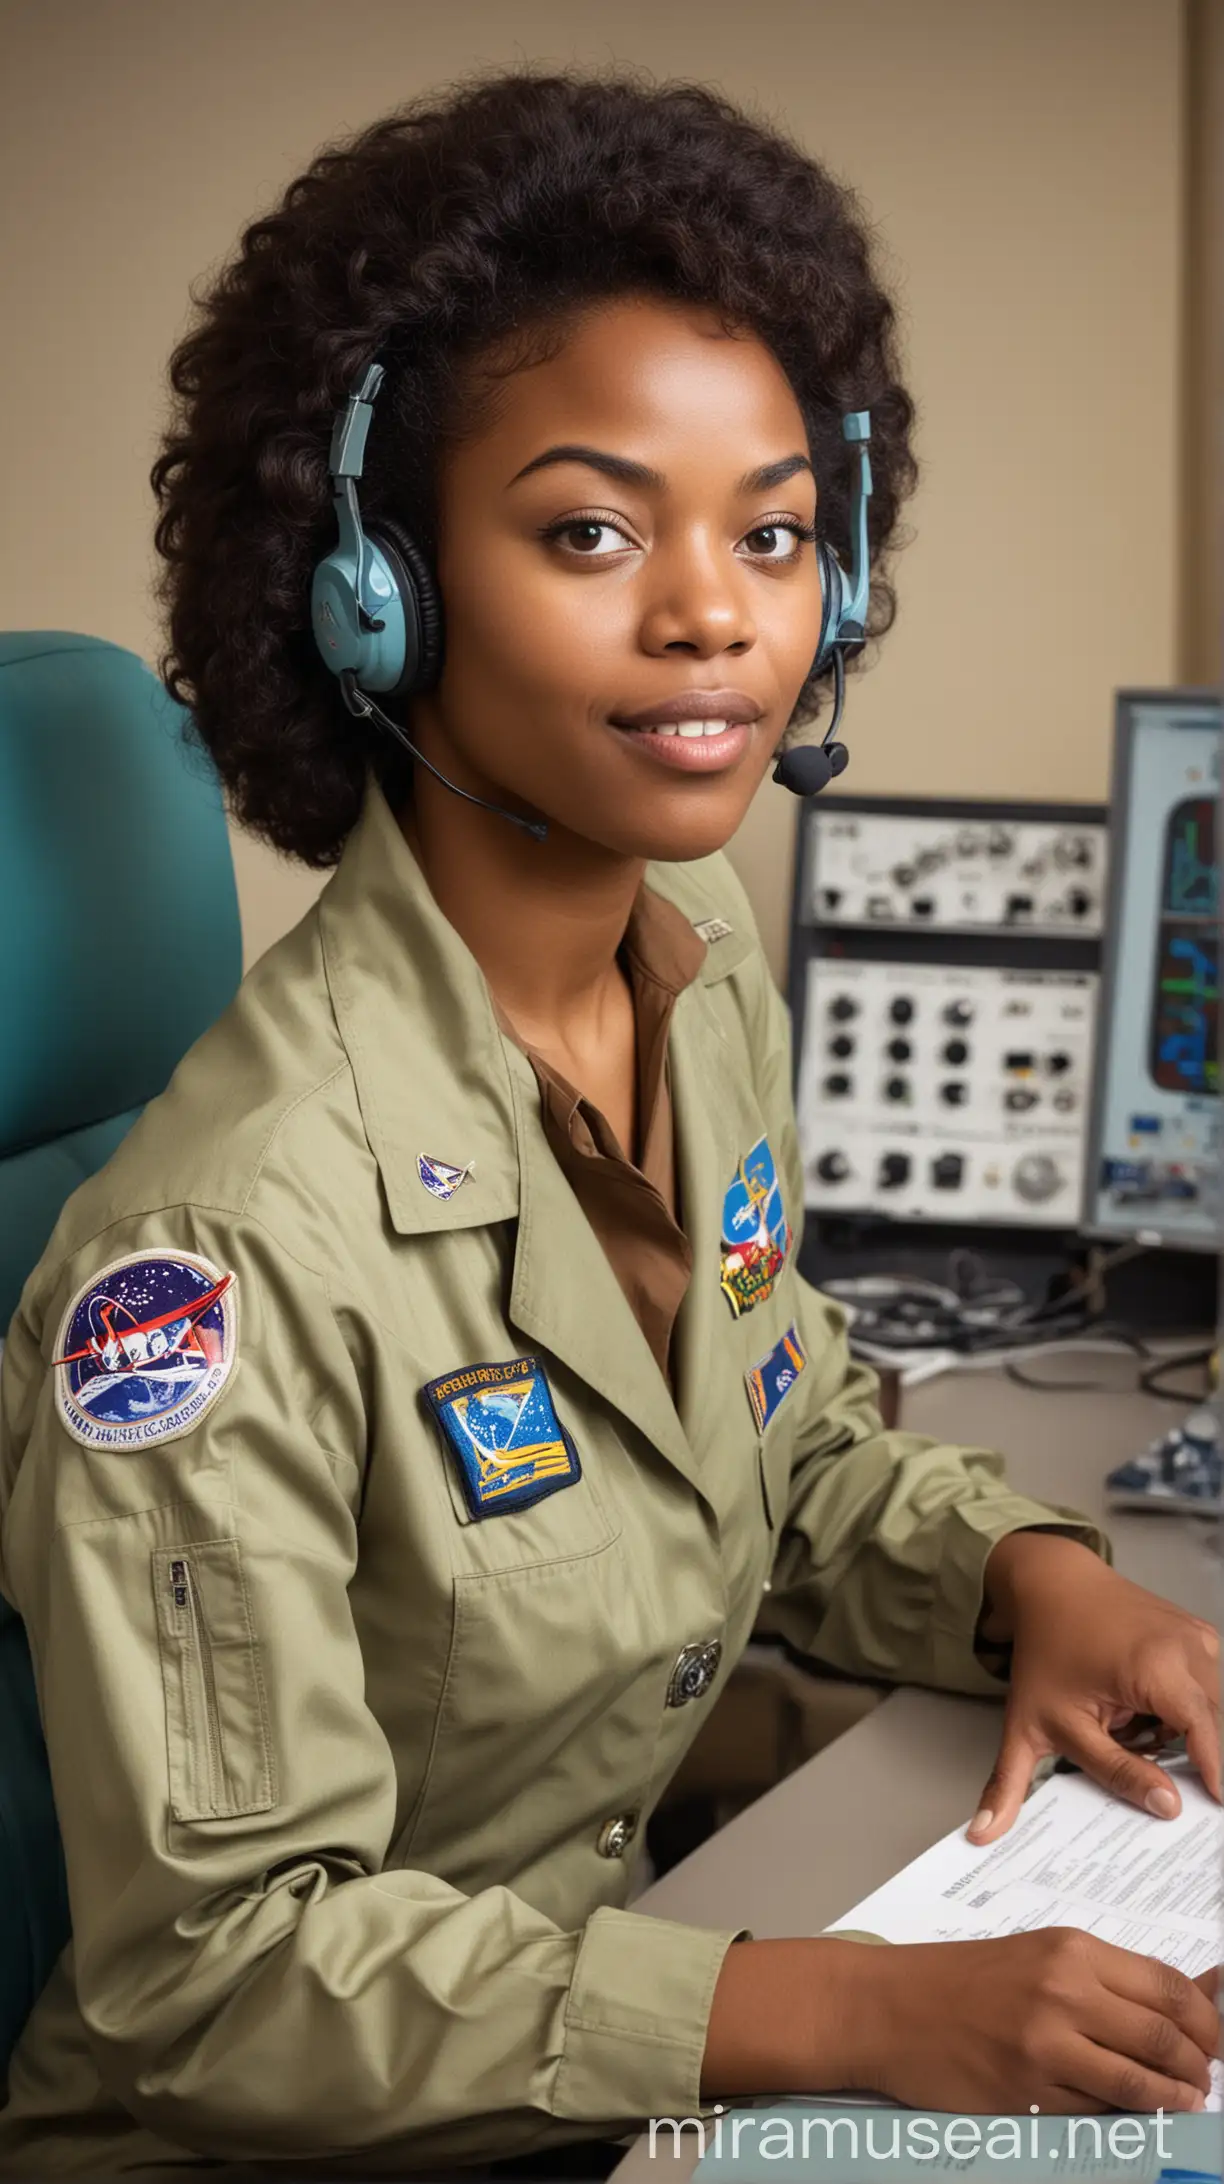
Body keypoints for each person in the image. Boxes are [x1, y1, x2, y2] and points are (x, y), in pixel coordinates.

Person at [0, 68, 1218, 2182]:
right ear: (373, 584)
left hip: (595, 2048)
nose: (714, 613)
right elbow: (216, 1981)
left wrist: (1029, 1580)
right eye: (589, 530)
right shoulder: (211, 1255)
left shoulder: (697, 966)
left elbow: (770, 1431)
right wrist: (827, 2004)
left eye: (771, 531)